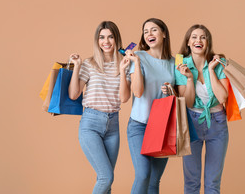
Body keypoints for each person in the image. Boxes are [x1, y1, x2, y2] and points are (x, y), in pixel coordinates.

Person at [68, 21, 131, 194]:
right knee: (106, 177)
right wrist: (77, 66)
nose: (106, 41)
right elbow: (74, 94)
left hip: (113, 125)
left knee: (105, 181)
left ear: (116, 39)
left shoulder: (124, 64)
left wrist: (123, 70)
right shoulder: (90, 64)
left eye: (110, 37)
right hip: (91, 123)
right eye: (102, 37)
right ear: (97, 40)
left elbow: (124, 98)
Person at [175, 24, 229, 194]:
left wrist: (211, 70)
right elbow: (188, 103)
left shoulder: (219, 63)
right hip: (192, 123)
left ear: (208, 42)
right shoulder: (181, 65)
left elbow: (222, 98)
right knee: (191, 182)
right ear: (188, 42)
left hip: (217, 123)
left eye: (203, 37)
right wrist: (189, 78)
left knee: (213, 182)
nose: (198, 40)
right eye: (194, 37)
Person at [123, 18, 175, 194]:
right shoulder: (139, 57)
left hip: (163, 127)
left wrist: (171, 90)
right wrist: (136, 63)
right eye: (145, 32)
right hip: (140, 125)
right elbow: (137, 92)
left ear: (164, 33)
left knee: (154, 181)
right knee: (143, 175)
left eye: (153, 30)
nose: (149, 34)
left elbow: (179, 96)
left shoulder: (173, 62)